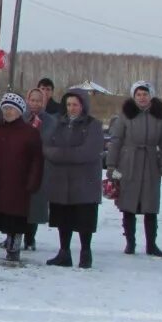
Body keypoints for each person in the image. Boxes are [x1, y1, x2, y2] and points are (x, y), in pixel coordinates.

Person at [0, 93, 43, 262]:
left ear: (20, 111)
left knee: (15, 219)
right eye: (5, 108)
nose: (8, 112)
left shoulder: (30, 132)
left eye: (12, 109)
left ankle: (13, 249)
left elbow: (37, 160)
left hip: (17, 183)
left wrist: (33, 181)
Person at [108, 81, 162, 257]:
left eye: (145, 94)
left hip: (151, 163)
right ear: (133, 96)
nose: (142, 98)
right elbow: (116, 140)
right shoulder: (125, 115)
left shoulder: (159, 115)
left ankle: (151, 244)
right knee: (128, 205)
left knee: (150, 206)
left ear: (150, 95)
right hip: (128, 163)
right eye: (138, 94)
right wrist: (111, 165)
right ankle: (130, 243)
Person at [42, 89, 102, 268]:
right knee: (63, 216)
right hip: (61, 179)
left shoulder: (93, 125)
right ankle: (64, 252)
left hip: (85, 180)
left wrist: (62, 154)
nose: (71, 108)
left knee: (84, 217)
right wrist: (61, 154)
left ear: (83, 105)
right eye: (68, 104)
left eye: (75, 104)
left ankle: (85, 252)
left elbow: (88, 151)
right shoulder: (58, 123)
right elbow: (47, 147)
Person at [23, 88, 57, 251]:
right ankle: (15, 235)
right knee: (18, 202)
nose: (35, 103)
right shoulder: (21, 117)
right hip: (20, 165)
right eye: (32, 100)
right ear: (27, 100)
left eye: (39, 100)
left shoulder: (50, 121)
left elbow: (51, 141)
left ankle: (30, 238)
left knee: (35, 204)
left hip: (40, 165)